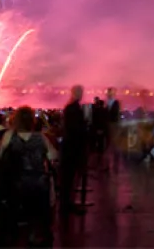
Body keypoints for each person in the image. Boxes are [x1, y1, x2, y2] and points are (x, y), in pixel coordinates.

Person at [0, 106, 56, 245]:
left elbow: (0, 156)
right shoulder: (40, 137)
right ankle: (35, 233)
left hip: (15, 184)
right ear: (32, 121)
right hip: (38, 185)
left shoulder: (9, 136)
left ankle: (12, 233)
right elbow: (53, 155)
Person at [59, 85, 87, 218]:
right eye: (80, 92)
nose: (82, 94)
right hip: (73, 148)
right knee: (70, 178)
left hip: (68, 148)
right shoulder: (74, 109)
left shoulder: (69, 107)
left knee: (68, 179)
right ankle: (67, 205)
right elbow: (77, 130)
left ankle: (66, 204)